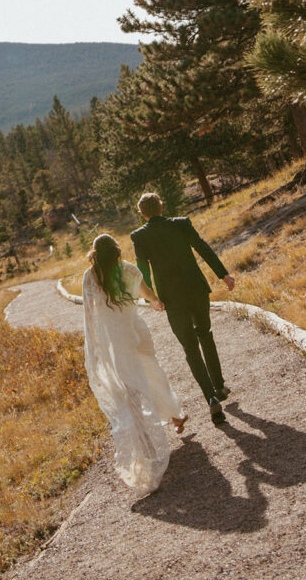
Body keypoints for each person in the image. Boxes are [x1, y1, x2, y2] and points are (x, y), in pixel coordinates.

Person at [83, 233, 186, 495]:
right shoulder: (128, 269)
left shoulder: (91, 276)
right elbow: (147, 293)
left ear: (95, 253)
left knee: (130, 390)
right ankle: (174, 414)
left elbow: (89, 315)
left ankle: (147, 443)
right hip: (136, 333)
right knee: (151, 373)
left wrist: (96, 348)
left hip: (116, 340)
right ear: (116, 250)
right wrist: (157, 302)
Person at [131, 192, 235, 425]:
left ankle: (210, 398)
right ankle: (219, 386)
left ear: (143, 213)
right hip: (196, 290)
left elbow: (142, 270)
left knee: (190, 347)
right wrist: (223, 274)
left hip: (172, 299)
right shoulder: (181, 224)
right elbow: (202, 248)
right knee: (205, 335)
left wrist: (152, 298)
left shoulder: (139, 236)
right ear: (161, 206)